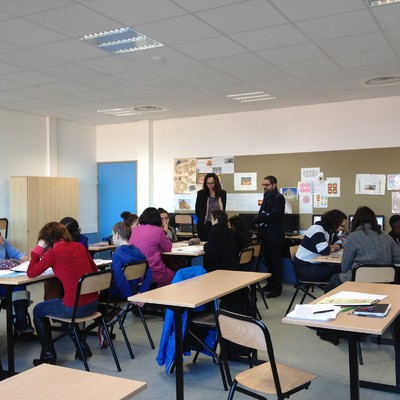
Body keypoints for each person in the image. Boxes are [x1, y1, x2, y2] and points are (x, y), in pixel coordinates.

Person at [27, 222, 98, 366]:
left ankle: (48, 355)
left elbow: (31, 273)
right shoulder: (80, 247)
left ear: (47, 240)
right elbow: (95, 270)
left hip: (76, 309)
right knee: (64, 303)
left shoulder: (53, 253)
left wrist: (37, 250)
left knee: (38, 310)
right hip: (93, 304)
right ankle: (82, 347)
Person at [326, 206, 400, 292]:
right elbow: (398, 258)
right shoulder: (386, 236)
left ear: (356, 220)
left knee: (334, 278)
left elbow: (345, 268)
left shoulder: (353, 237)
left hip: (359, 279)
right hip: (385, 280)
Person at [97, 221, 146, 348]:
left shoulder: (117, 254)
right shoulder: (138, 251)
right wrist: (141, 293)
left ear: (117, 235)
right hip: (133, 291)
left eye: (112, 235)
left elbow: (118, 278)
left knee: (94, 298)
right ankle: (115, 314)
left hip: (119, 294)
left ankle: (104, 324)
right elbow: (149, 272)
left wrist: (130, 297)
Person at [43, 217, 89, 301]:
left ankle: (55, 304)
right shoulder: (59, 243)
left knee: (38, 309)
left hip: (72, 278)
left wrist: (38, 249)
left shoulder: (81, 242)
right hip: (84, 294)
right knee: (52, 280)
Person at [253, 175, 285, 298]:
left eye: (267, 185)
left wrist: (261, 217)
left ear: (274, 185)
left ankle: (277, 288)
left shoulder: (279, 198)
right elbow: (263, 213)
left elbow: (274, 215)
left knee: (276, 263)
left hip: (274, 236)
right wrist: (260, 217)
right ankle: (270, 284)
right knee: (269, 262)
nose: (265, 187)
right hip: (265, 234)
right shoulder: (266, 196)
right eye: (264, 185)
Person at [294, 209, 347, 282]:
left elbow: (339, 242)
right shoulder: (317, 229)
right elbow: (325, 251)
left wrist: (334, 246)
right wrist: (330, 247)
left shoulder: (330, 231)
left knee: (342, 268)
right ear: (335, 222)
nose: (342, 229)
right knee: (342, 270)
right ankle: (332, 291)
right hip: (305, 268)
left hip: (315, 264)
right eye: (342, 226)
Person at [129, 207, 175, 288]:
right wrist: (165, 231)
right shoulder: (158, 231)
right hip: (154, 271)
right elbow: (168, 248)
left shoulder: (134, 230)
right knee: (177, 275)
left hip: (136, 273)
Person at [0, 232, 34, 336]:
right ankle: (19, 321)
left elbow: (16, 254)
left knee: (20, 285)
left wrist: (22, 257)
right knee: (14, 287)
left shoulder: (4, 243)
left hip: (6, 278)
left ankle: (20, 320)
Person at [195, 173, 227, 241]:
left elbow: (223, 209)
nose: (210, 185)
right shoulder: (201, 194)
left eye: (212, 183)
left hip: (219, 224)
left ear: (216, 183)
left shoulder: (222, 193)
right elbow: (197, 209)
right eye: (208, 183)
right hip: (205, 224)